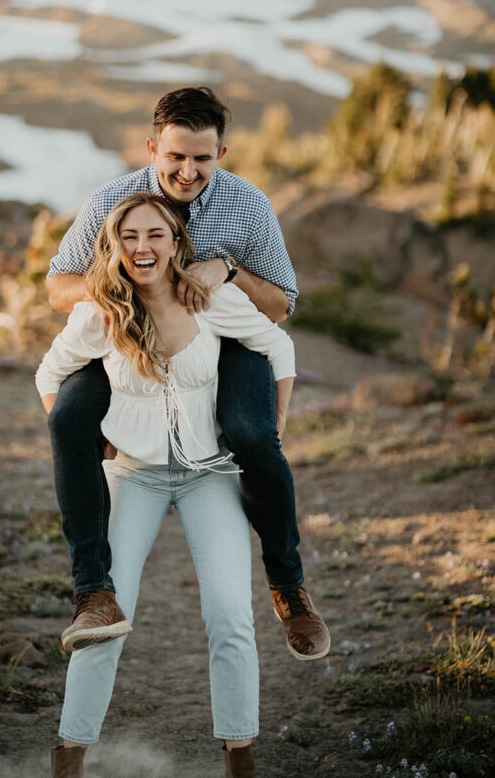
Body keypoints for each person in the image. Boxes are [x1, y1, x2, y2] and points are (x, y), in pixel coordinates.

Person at [46, 86, 329, 663]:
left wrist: (227, 270)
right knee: (70, 418)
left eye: (202, 158)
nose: (188, 170)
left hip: (226, 336)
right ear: (153, 147)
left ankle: (288, 584)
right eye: (176, 156)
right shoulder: (111, 202)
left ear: (220, 153)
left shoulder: (249, 206)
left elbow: (280, 307)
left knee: (252, 434)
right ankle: (93, 593)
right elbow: (57, 287)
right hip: (126, 331)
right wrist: (126, 289)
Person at [36, 192, 297, 778]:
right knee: (106, 613)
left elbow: (277, 344)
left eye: (155, 235)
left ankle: (239, 754)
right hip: (134, 476)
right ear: (114, 247)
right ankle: (70, 755)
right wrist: (91, 437)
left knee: (229, 612)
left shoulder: (212, 299)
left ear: (177, 242)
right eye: (129, 238)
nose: (142, 248)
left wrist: (270, 431)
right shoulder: (102, 313)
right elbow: (49, 372)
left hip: (209, 476)